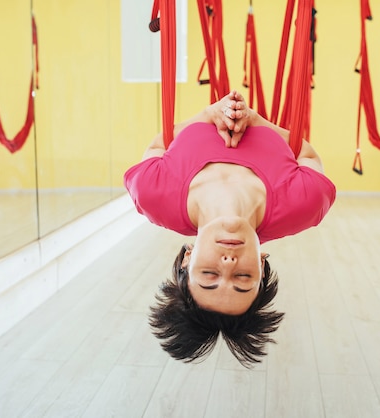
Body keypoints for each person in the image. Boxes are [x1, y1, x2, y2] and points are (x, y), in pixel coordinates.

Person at [124, 91, 336, 367]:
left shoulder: (153, 196)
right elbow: (305, 153)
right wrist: (258, 121)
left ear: (188, 259)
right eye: (243, 276)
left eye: (209, 273)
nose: (228, 262)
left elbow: (158, 146)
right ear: (261, 265)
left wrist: (206, 115)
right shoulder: (304, 204)